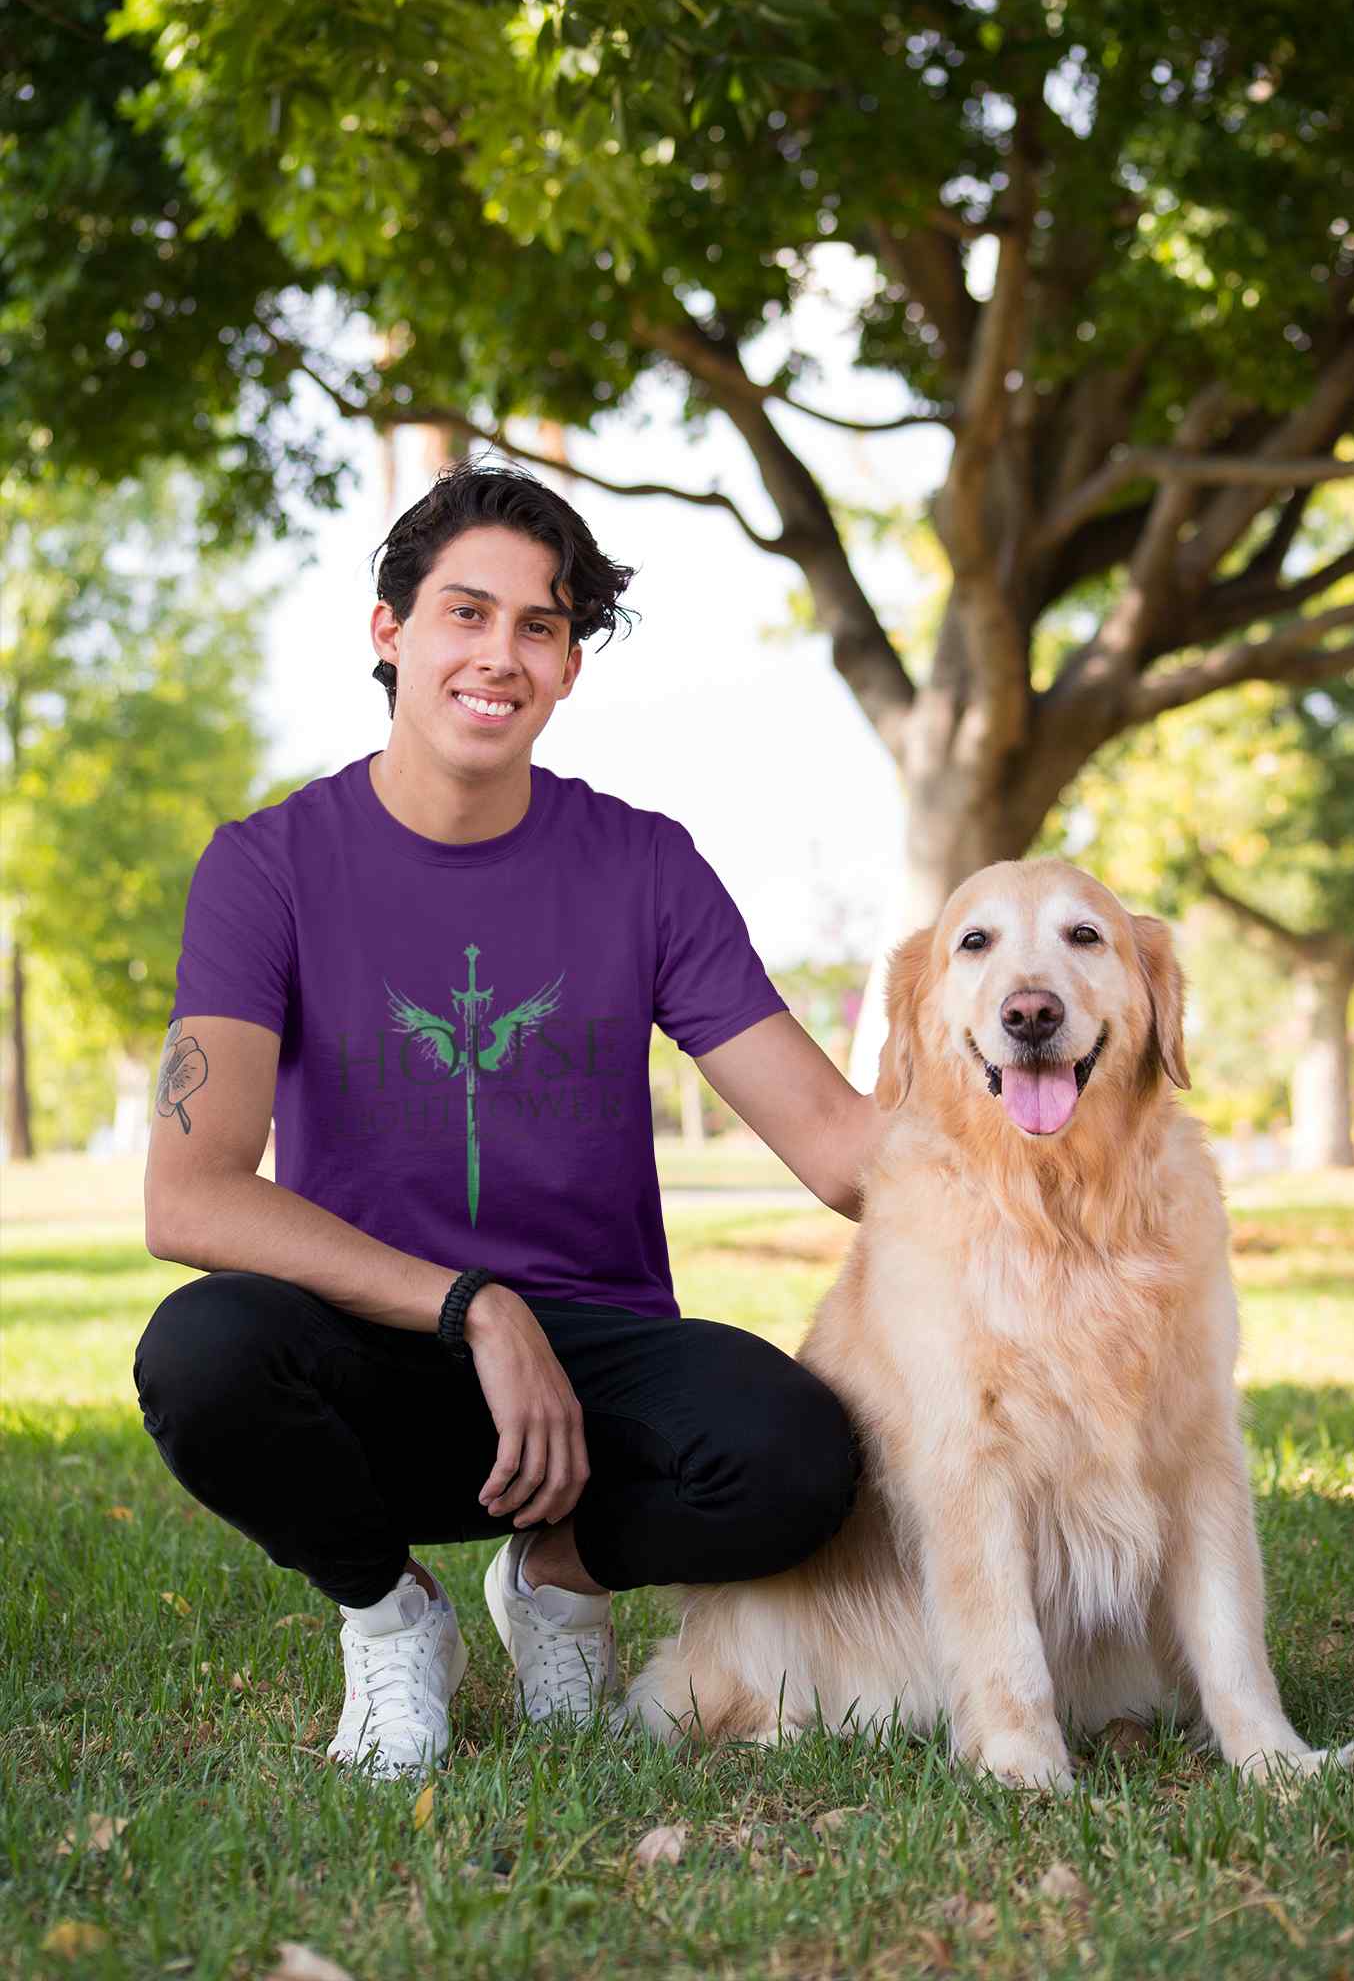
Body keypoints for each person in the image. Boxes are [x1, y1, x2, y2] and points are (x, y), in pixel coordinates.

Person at [135, 460, 883, 1782]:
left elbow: (837, 1146)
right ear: (392, 632)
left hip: (592, 1380)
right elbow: (188, 1197)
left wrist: (1053, 1116)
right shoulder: (267, 868)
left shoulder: (644, 864)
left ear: (571, 665)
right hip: (373, 1344)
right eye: (466, 614)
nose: (501, 655)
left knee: (800, 1457)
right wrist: (476, 1305)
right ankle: (392, 1611)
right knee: (202, 1355)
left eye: (541, 626)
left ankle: (558, 1573)